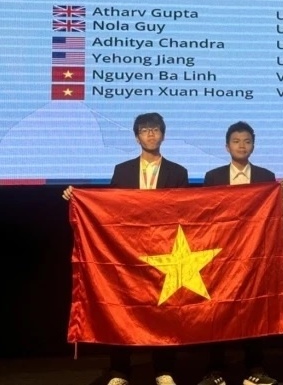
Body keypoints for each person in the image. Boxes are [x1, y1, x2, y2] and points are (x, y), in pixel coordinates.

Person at [63, 112, 188, 385]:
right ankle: (120, 371)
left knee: (163, 310)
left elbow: (184, 212)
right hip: (126, 251)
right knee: (121, 308)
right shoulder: (123, 171)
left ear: (163, 135)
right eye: (145, 130)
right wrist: (78, 196)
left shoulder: (178, 172)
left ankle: (163, 370)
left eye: (155, 129)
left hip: (165, 250)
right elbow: (108, 207)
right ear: (136, 137)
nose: (150, 134)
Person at [198, 121, 277, 385]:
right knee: (217, 311)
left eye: (246, 141)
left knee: (254, 309)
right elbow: (204, 216)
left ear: (253, 145)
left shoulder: (266, 177)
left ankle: (255, 369)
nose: (241, 146)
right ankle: (214, 370)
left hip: (253, 255)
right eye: (236, 141)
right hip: (220, 255)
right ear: (227, 146)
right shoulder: (213, 177)